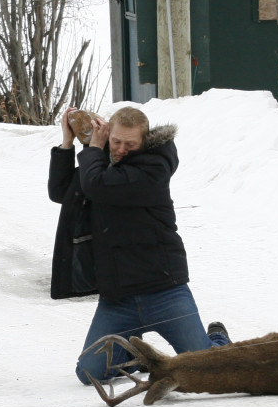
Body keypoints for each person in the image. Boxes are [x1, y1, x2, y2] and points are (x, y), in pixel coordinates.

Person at [48, 105, 229, 384]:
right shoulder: (102, 165)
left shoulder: (154, 168)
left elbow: (98, 185)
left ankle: (217, 340)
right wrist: (68, 142)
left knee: (205, 371)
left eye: (130, 144)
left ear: (144, 142)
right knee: (89, 373)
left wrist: (94, 150)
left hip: (165, 292)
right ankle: (138, 356)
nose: (121, 150)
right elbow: (61, 192)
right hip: (118, 299)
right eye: (116, 141)